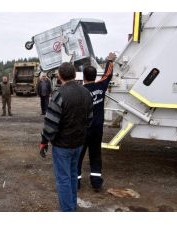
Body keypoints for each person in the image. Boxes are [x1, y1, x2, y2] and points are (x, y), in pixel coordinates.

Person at [39, 62, 93, 212]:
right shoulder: (85, 93)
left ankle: (67, 211)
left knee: (63, 179)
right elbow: (89, 120)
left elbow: (50, 124)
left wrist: (44, 141)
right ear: (75, 75)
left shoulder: (59, 95)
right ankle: (71, 205)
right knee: (72, 175)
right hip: (78, 143)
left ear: (59, 76)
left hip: (62, 146)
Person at [77, 52, 116, 191]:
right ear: (95, 76)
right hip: (97, 129)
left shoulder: (80, 91)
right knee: (95, 155)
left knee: (78, 156)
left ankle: (76, 182)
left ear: (83, 77)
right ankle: (96, 182)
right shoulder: (101, 87)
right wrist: (109, 61)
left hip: (83, 130)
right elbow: (108, 75)